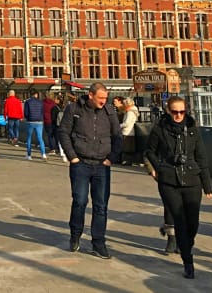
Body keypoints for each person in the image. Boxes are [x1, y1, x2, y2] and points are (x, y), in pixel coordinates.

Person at [144, 96, 212, 279]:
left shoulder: (192, 130)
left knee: (193, 222)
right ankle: (187, 261)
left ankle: (186, 245)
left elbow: (201, 156)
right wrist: (159, 168)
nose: (178, 115)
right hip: (169, 182)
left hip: (192, 180)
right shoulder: (160, 129)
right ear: (168, 111)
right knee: (180, 221)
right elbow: (149, 151)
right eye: (175, 112)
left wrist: (207, 185)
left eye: (182, 112)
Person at [58, 82, 121, 259]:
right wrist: (72, 156)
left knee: (101, 205)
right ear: (90, 95)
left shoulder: (109, 111)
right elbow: (63, 132)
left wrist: (111, 158)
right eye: (100, 98)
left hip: (102, 164)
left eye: (105, 98)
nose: (104, 101)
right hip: (81, 163)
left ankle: (98, 242)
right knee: (79, 200)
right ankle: (75, 234)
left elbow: (117, 136)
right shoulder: (74, 109)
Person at [23, 91, 47, 161]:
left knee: (29, 138)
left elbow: (26, 113)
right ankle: (43, 154)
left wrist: (28, 118)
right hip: (39, 121)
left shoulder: (28, 102)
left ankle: (29, 155)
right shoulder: (40, 102)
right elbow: (42, 112)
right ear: (36, 94)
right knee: (40, 138)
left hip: (30, 121)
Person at [119, 97, 139, 165]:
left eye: (124, 104)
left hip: (127, 132)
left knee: (126, 148)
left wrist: (119, 126)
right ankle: (128, 161)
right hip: (130, 132)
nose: (123, 105)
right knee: (129, 148)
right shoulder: (133, 110)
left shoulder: (130, 112)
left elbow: (126, 123)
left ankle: (126, 161)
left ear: (127, 104)